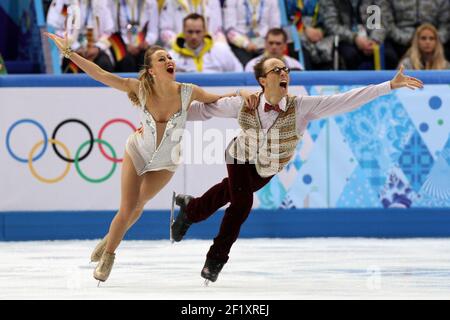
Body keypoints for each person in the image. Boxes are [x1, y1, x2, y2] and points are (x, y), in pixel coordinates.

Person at [172, 57, 423, 283]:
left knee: (228, 193)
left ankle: (191, 210)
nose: (284, 73)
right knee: (242, 203)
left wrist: (388, 86)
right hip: (239, 155)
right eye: (276, 69)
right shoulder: (245, 103)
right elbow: (205, 110)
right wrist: (167, 117)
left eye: (286, 69)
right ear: (262, 80)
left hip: (267, 167)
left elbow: (344, 101)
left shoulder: (301, 106)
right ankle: (215, 260)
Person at [45, 32, 251, 284]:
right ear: (152, 70)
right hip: (138, 152)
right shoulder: (139, 88)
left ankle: (110, 237)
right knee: (128, 207)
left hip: (166, 162)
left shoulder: (188, 91)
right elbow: (101, 74)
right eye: (162, 59)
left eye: (169, 58)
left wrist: (241, 92)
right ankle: (109, 254)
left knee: (138, 205)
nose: (168, 61)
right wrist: (69, 53)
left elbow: (217, 98)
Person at [46, 0, 115, 73]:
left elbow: (109, 31)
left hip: (94, 48)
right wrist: (76, 47)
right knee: (75, 66)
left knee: (104, 64)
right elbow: (54, 29)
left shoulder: (101, 2)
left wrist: (97, 47)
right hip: (70, 49)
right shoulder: (64, 2)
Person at [170, 13, 243, 72]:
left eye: (198, 32)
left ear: (205, 31)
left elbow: (238, 73)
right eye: (190, 32)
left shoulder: (222, 51)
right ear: (183, 32)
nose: (194, 36)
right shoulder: (172, 57)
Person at [223, 0, 281, 66]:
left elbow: (275, 28)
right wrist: (245, 44)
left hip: (265, 44)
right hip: (240, 45)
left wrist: (266, 43)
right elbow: (229, 30)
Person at [108, 0, 159, 72]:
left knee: (146, 59)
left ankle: (146, 83)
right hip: (121, 44)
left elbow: (153, 31)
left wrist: (147, 41)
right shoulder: (114, 2)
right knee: (127, 61)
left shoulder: (150, 2)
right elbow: (112, 29)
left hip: (142, 45)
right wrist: (125, 45)